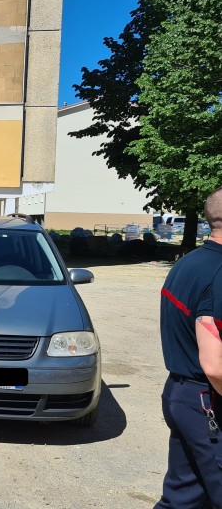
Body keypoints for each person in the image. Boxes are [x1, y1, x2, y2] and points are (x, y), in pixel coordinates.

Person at [156, 186, 222, 508]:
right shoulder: (219, 272)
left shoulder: (188, 263)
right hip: (206, 400)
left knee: (184, 499)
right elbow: (215, 366)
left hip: (182, 395)